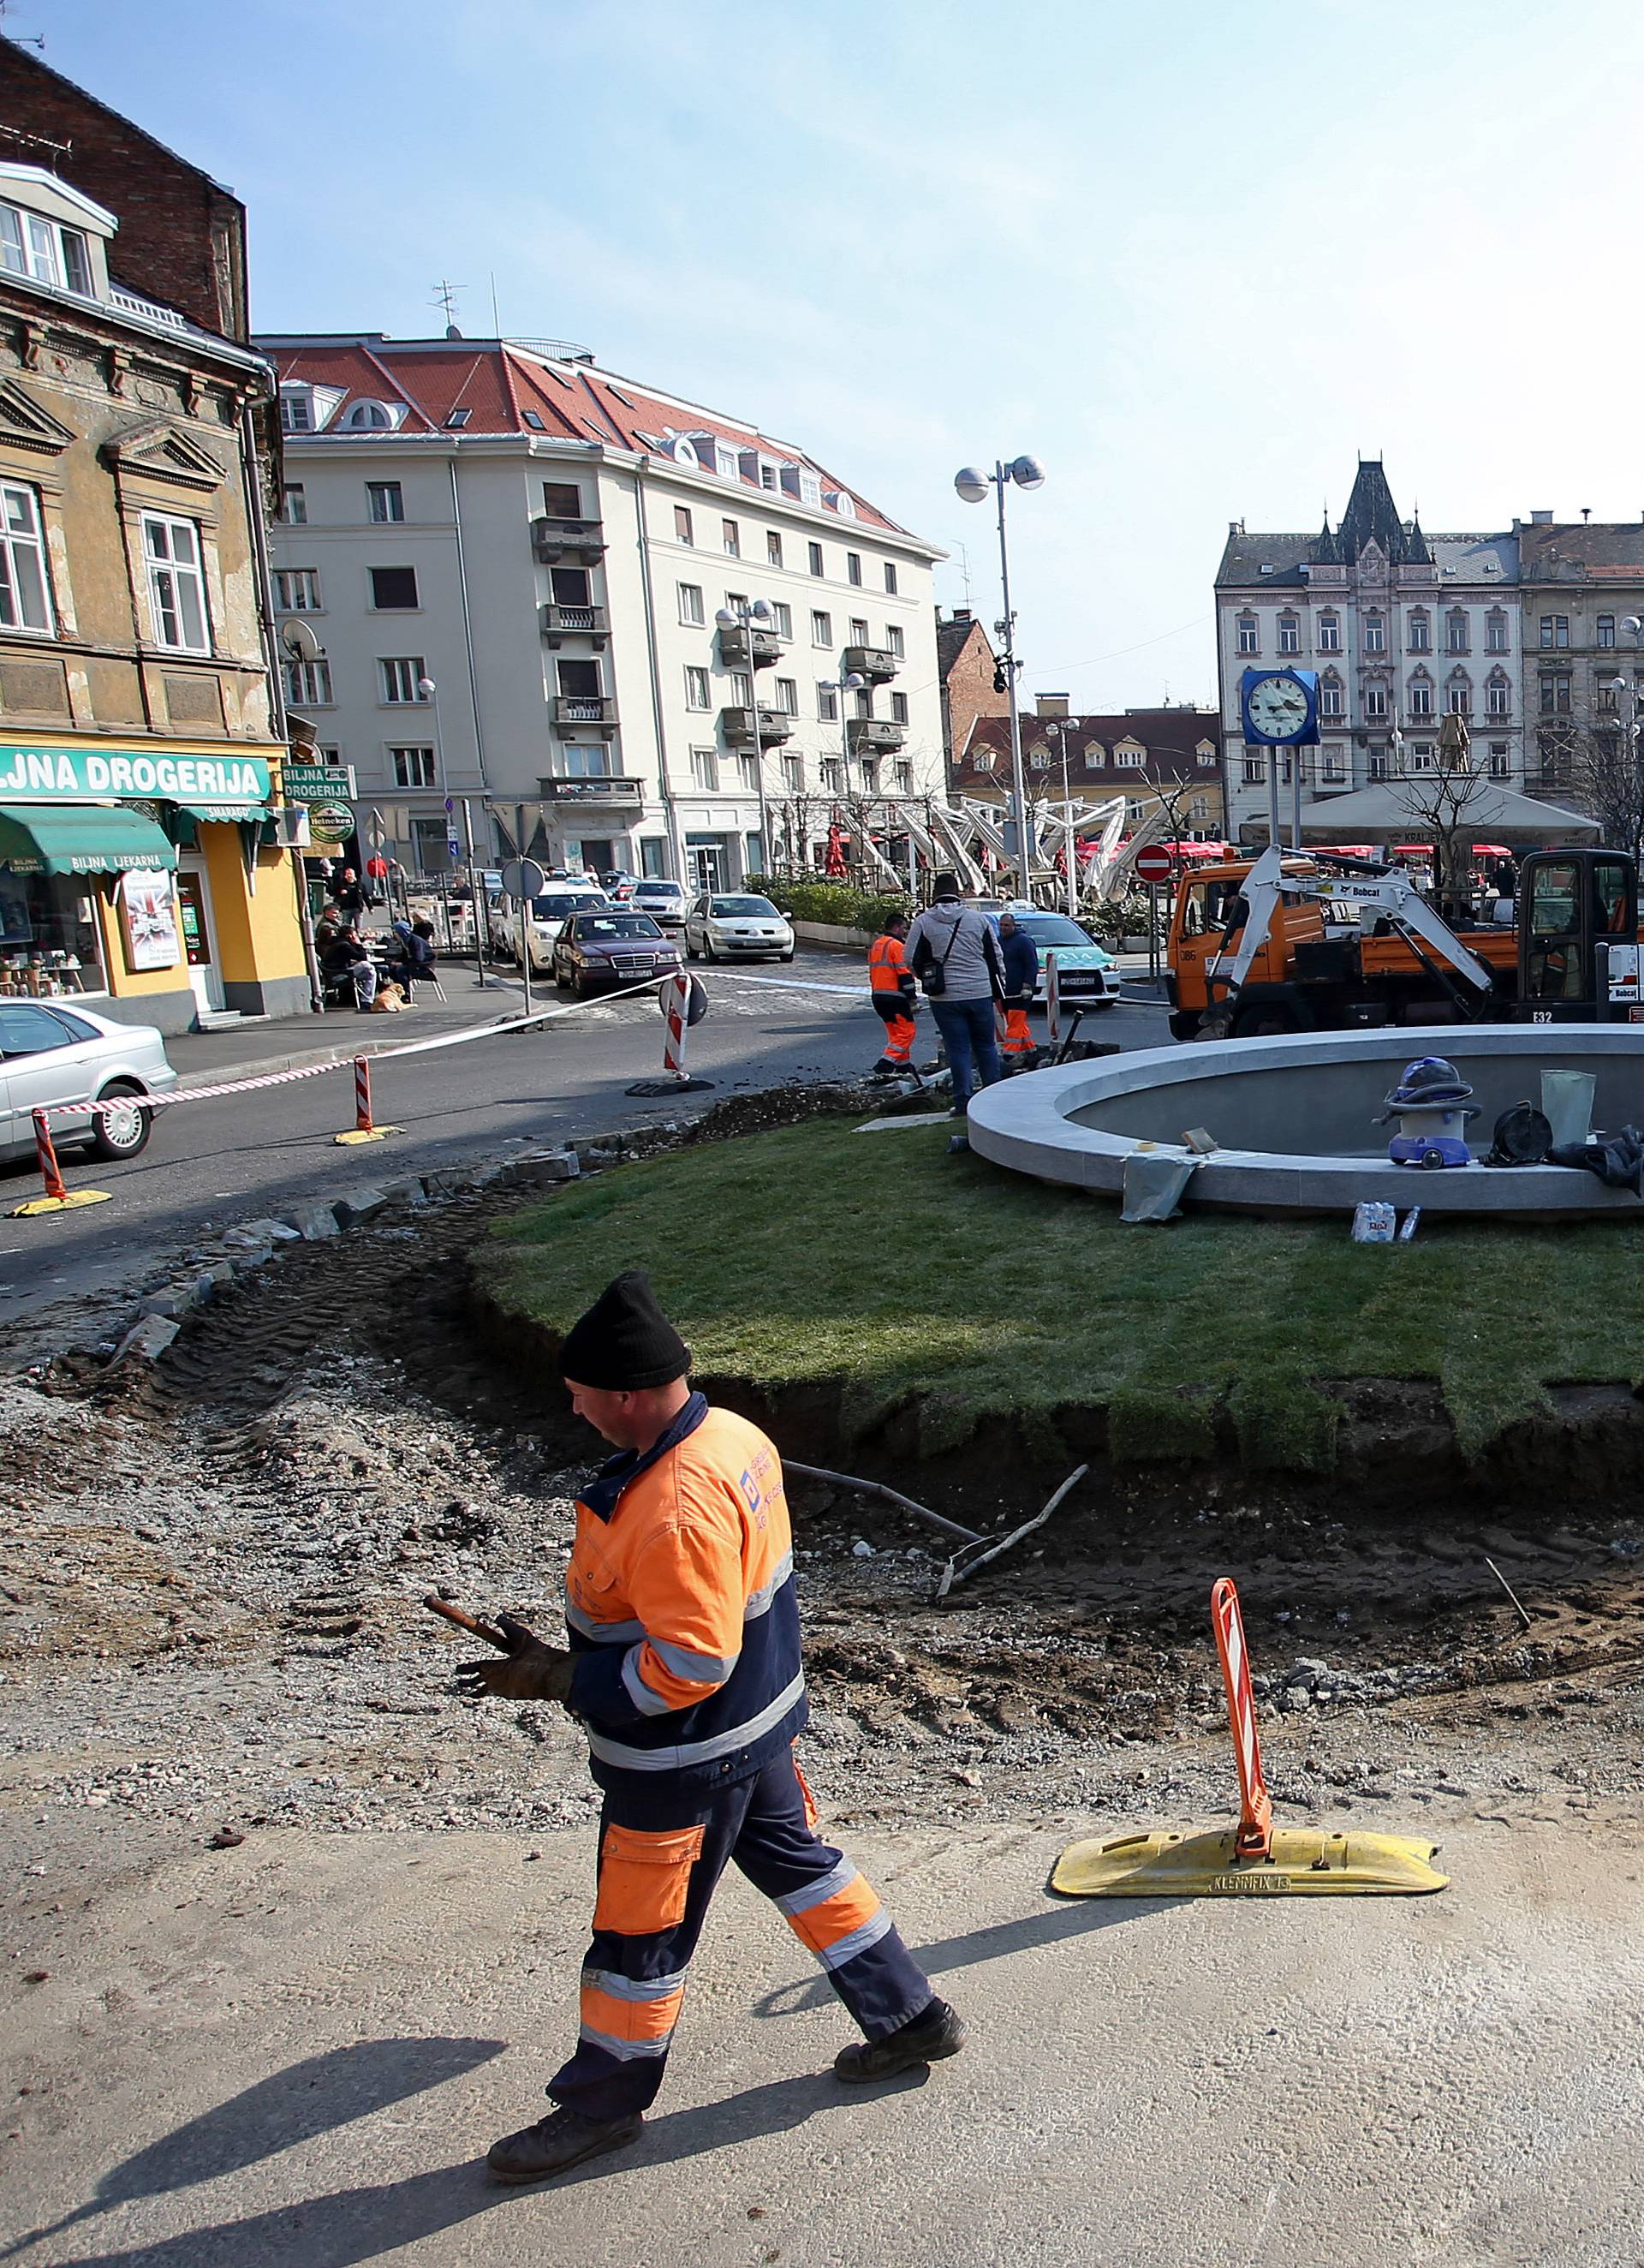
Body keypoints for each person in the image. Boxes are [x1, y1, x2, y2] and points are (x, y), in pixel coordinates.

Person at [457, 1271, 964, 2187]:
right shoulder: (733, 1435)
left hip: (684, 1760)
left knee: (637, 1937)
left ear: (624, 1393)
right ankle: (909, 2013)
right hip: (758, 1731)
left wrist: (568, 1675)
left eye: (580, 1397)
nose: (574, 1412)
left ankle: (601, 2105)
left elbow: (690, 1663)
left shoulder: (672, 1502)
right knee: (805, 1866)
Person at [906, 872, 1004, 1115]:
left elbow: (909, 958)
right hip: (980, 991)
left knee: (957, 1049)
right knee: (986, 1046)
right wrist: (997, 985)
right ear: (959, 892)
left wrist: (928, 977)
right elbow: (995, 955)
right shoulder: (977, 920)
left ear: (934, 893)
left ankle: (963, 1102)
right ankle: (993, 1099)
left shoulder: (923, 922)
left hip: (945, 996)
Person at [865, 910, 917, 1075]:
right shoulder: (896, 946)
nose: (905, 932)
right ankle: (886, 1063)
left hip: (878, 996)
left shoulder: (877, 945)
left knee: (896, 1033)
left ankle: (903, 1066)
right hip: (895, 997)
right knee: (907, 1031)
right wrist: (912, 998)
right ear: (896, 927)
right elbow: (904, 974)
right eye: (904, 928)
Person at [996, 910, 1039, 1066]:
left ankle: (1009, 1054)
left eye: (1006, 925)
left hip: (1020, 991)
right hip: (1006, 990)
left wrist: (1027, 985)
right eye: (1001, 925)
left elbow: (1032, 964)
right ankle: (1031, 1051)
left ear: (1014, 926)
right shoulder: (999, 941)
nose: (1003, 928)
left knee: (1015, 1022)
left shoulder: (1023, 942)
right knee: (1017, 1021)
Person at [319, 917, 376, 1010]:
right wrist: (359, 944)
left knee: (369, 971)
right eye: (355, 934)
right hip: (339, 973)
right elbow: (362, 957)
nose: (356, 936)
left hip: (333, 972)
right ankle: (366, 1000)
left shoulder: (337, 942)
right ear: (349, 936)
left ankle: (365, 998)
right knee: (368, 967)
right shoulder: (344, 946)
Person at [385, 917, 436, 998]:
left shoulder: (415, 941)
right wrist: (395, 962)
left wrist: (402, 963)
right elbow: (405, 956)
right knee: (392, 969)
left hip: (424, 966)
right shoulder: (405, 941)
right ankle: (398, 991)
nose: (394, 934)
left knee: (400, 970)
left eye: (395, 932)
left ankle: (406, 993)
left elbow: (418, 958)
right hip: (415, 964)